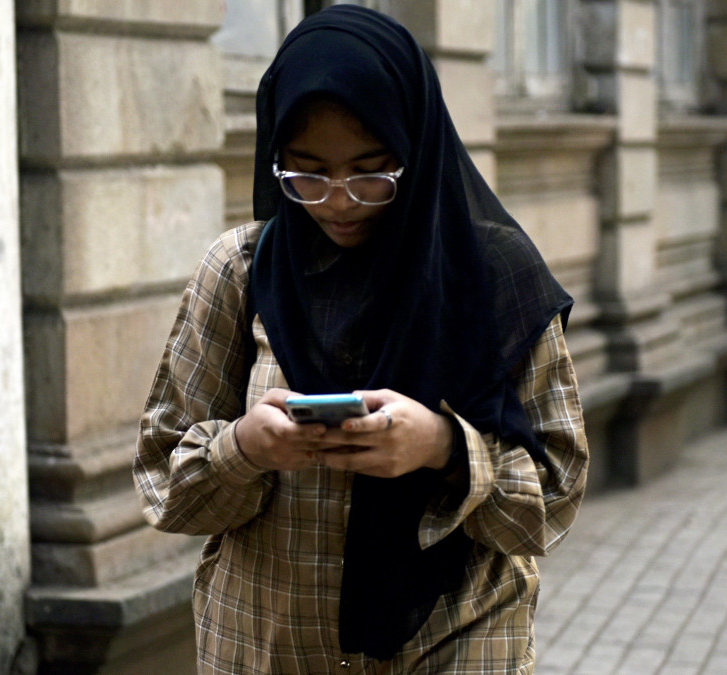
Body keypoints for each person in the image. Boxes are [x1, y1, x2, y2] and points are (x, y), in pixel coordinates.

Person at [133, 5, 588, 673]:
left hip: (457, 632)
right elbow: (161, 480)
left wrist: (441, 446)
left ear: (416, 147)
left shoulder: (493, 279)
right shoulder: (238, 273)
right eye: (307, 172)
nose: (338, 201)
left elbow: (556, 491)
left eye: (372, 171)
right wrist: (244, 447)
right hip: (267, 641)